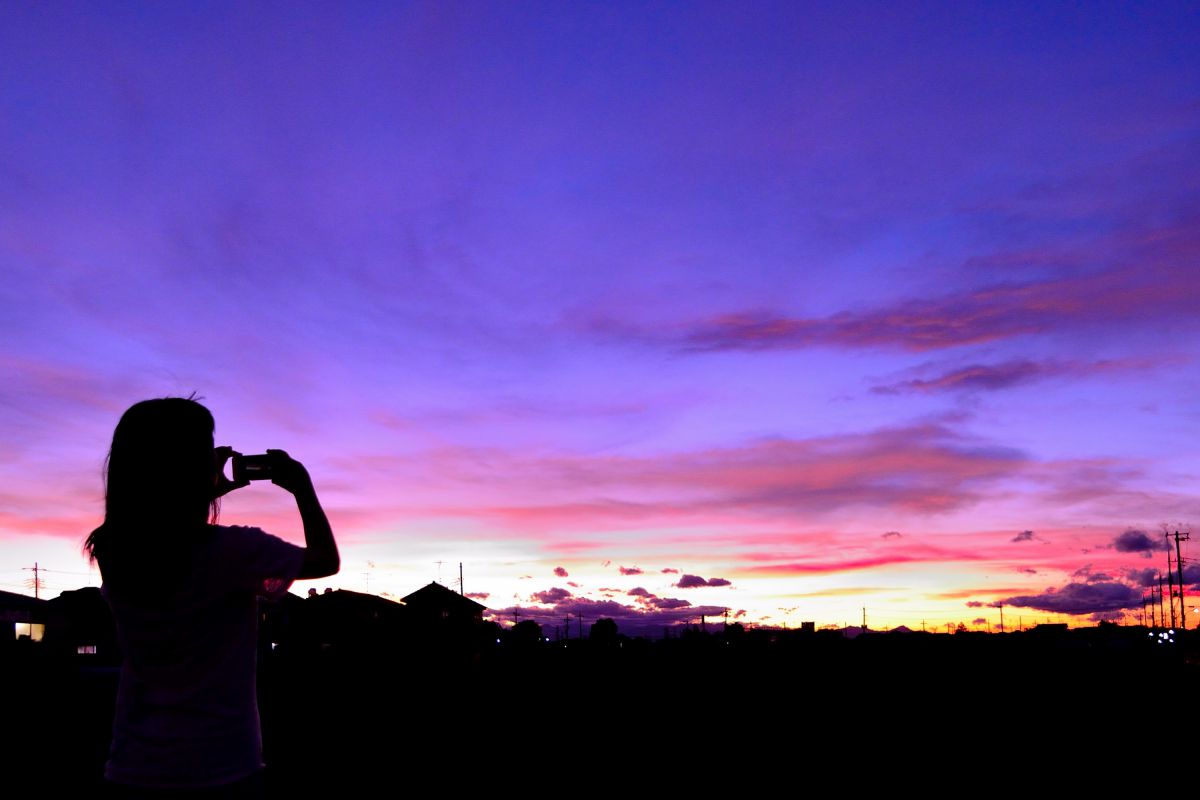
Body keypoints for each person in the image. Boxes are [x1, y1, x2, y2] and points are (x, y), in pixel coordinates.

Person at [84, 397, 339, 794]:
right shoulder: (235, 551)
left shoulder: (113, 548)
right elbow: (325, 560)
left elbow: (166, 537)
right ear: (191, 469)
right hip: (221, 766)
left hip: (133, 766)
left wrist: (202, 490)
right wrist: (301, 487)